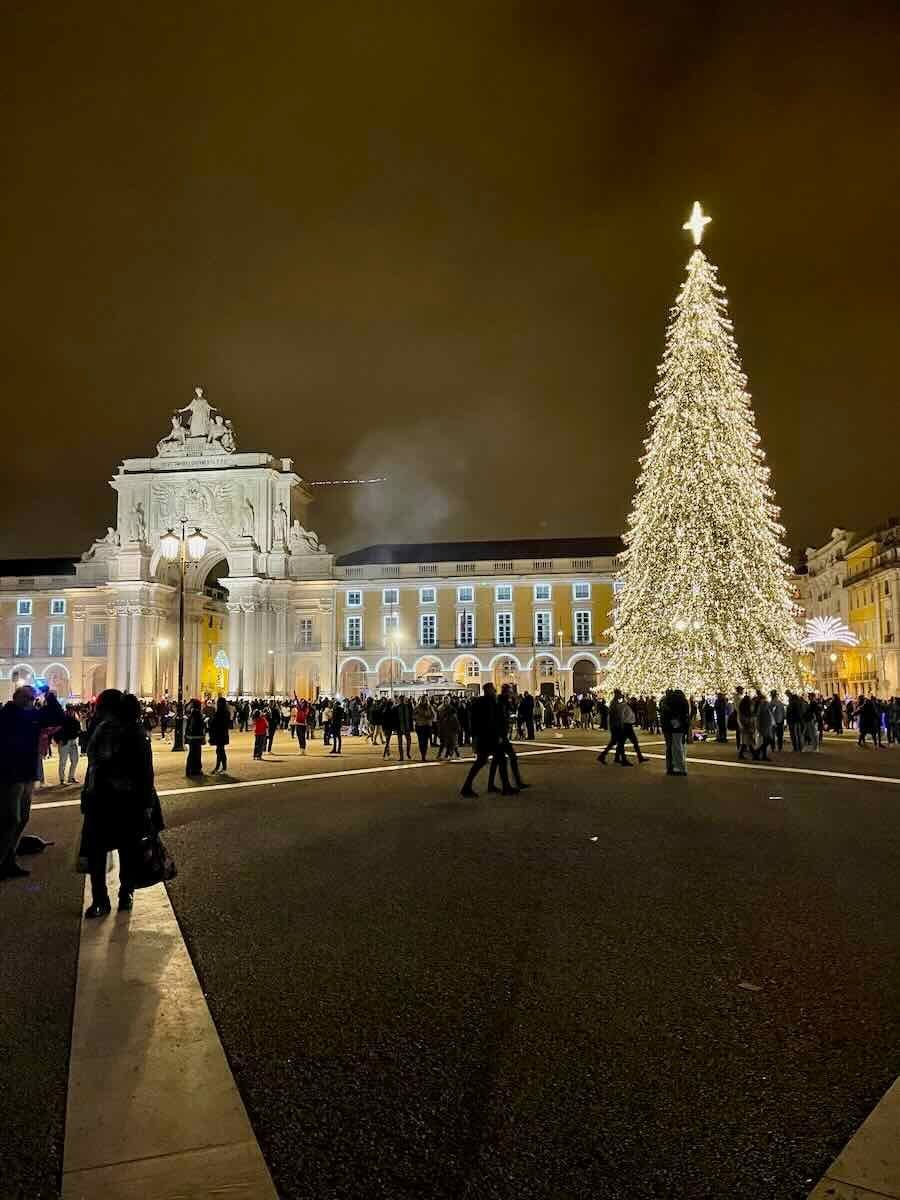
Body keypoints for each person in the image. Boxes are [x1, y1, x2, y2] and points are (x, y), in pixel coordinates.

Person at [79, 690, 163, 918]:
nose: (97, 709)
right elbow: (92, 767)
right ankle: (100, 898)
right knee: (97, 851)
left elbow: (146, 770)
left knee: (127, 849)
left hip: (127, 800)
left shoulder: (134, 732)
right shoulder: (101, 730)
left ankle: (125, 892)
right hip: (101, 799)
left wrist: (147, 802)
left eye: (101, 706)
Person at [0, 686, 64, 879]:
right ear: (19, 698)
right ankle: (3, 860)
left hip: (27, 774)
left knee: (22, 818)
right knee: (10, 820)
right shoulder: (6, 715)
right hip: (10, 776)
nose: (33, 701)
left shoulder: (33, 715)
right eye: (30, 698)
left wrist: (50, 695)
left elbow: (57, 717)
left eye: (34, 698)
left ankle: (8, 860)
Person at [460, 683, 512, 797]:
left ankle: (496, 786)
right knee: (484, 761)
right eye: (493, 689)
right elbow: (489, 720)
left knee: (491, 760)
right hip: (488, 737)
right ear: (488, 690)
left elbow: (474, 721)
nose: (495, 691)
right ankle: (467, 787)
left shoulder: (481, 702)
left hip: (485, 736)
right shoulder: (488, 702)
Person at [660, 688, 689, 775]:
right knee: (678, 747)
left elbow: (664, 716)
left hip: (671, 727)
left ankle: (673, 767)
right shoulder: (683, 702)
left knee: (673, 747)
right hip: (679, 727)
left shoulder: (666, 702)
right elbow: (686, 715)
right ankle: (678, 767)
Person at [54, 704, 82, 785]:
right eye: (70, 710)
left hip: (73, 741)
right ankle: (62, 779)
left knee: (75, 759)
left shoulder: (74, 719)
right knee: (63, 761)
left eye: (72, 710)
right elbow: (57, 730)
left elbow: (78, 729)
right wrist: (59, 740)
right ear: (67, 710)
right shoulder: (62, 719)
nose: (71, 711)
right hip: (64, 741)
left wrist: (78, 733)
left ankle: (71, 777)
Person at [207, 696, 232, 773]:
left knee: (220, 751)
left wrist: (210, 723)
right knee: (220, 750)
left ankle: (220, 767)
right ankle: (221, 767)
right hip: (223, 734)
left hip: (219, 734)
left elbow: (215, 723)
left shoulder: (219, 713)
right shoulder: (226, 712)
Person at [184, 700, 206, 776]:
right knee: (196, 754)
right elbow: (198, 727)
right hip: (196, 737)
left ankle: (189, 769)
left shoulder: (191, 714)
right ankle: (195, 770)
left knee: (191, 754)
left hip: (191, 738)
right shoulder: (198, 715)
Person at [414, 696, 435, 761]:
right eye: (422, 700)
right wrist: (418, 717)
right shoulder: (417, 707)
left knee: (425, 742)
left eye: (425, 700)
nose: (423, 701)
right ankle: (422, 754)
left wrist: (428, 717)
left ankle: (424, 755)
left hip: (427, 726)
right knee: (421, 741)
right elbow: (413, 716)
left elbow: (433, 715)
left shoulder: (429, 707)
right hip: (419, 726)